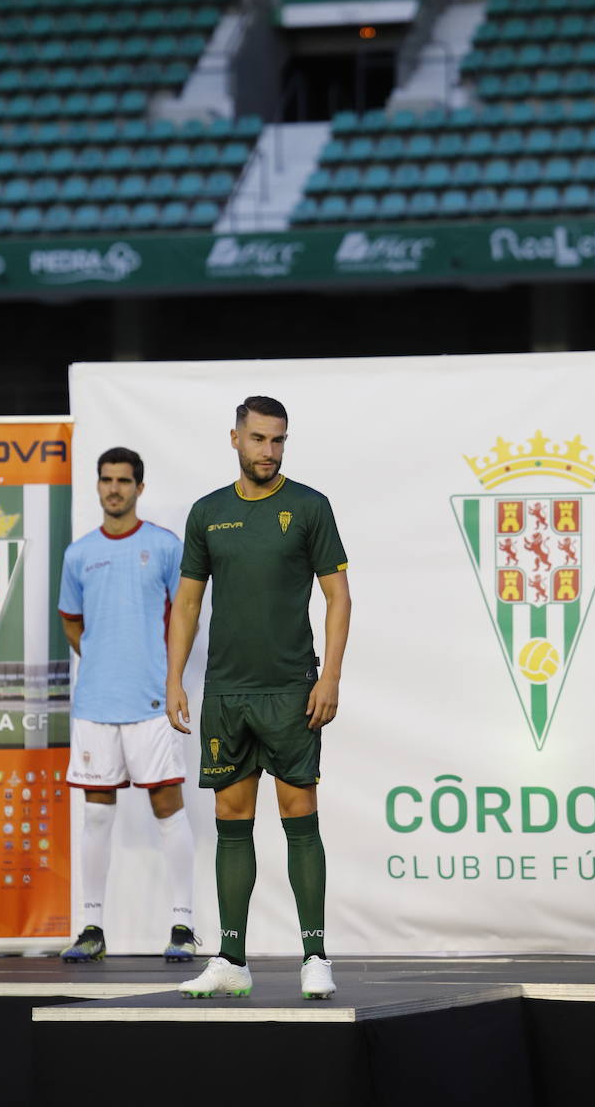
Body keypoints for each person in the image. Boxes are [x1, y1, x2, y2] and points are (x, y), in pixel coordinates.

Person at [166, 397, 351, 999]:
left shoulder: (309, 507)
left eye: (278, 441)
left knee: (300, 816)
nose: (269, 451)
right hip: (227, 691)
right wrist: (174, 680)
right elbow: (188, 603)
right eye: (259, 440)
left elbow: (338, 595)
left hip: (291, 690)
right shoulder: (207, 513)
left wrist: (331, 677)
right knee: (231, 820)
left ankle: (315, 956)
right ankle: (232, 960)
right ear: (235, 439)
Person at [59, 446, 197, 963]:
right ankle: (91, 927)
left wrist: (169, 675)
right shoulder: (78, 554)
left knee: (167, 808)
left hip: (152, 702)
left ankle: (183, 925)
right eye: (106, 480)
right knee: (97, 817)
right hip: (95, 703)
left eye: (124, 480)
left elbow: (186, 613)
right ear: (97, 487)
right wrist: (100, 661)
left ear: (140, 487)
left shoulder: (164, 547)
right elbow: (72, 620)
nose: (114, 488)